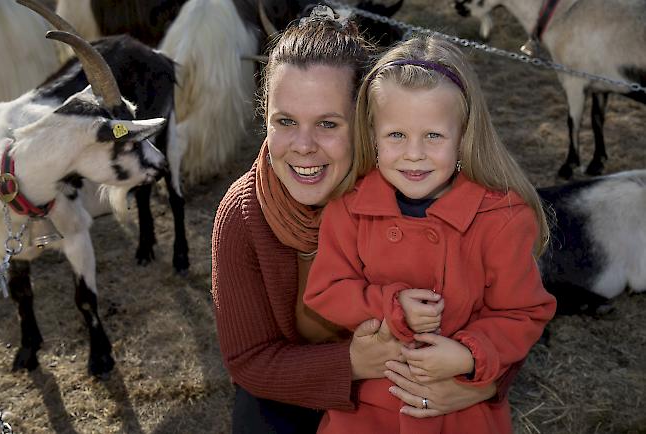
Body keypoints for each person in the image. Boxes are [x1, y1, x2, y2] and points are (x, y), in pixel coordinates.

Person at [212, 8, 507, 434]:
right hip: (298, 390)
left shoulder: (414, 187)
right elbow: (249, 360)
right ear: (266, 119)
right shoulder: (243, 216)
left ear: (367, 124)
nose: (304, 146)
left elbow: (510, 310)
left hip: (412, 392)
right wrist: (352, 363)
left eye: (328, 124)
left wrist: (484, 384)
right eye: (286, 122)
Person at [304, 34, 557, 433]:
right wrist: (389, 305)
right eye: (396, 135)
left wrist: (469, 354)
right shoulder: (350, 208)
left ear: (463, 136)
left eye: (434, 136)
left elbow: (523, 312)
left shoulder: (501, 217)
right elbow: (326, 289)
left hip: (458, 410)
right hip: (370, 407)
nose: (414, 153)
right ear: (372, 135)